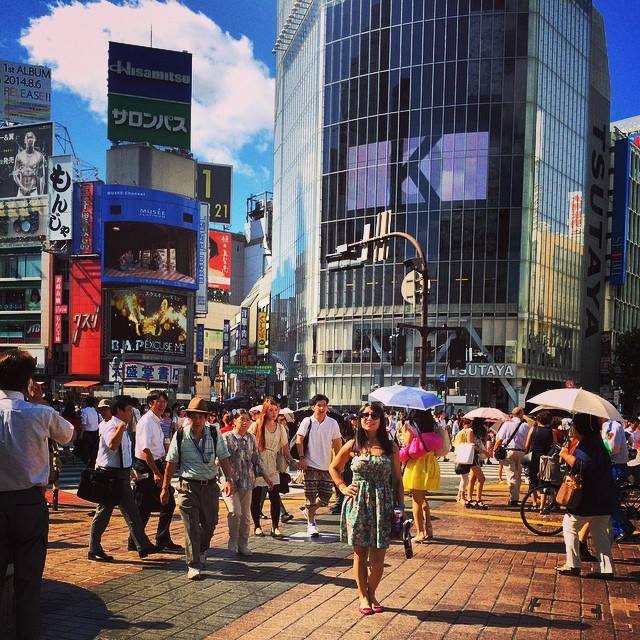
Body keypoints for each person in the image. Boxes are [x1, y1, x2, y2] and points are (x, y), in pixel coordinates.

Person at [0, 348, 74, 640]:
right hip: (29, 504)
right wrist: (39, 401)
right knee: (28, 584)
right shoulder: (40, 413)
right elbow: (68, 434)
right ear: (28, 381)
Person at [329, 403, 404, 615]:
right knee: (360, 554)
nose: (369, 418)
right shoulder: (353, 445)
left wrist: (401, 506)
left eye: (374, 415)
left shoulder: (390, 447)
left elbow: (397, 480)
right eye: (364, 415)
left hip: (383, 503)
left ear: (381, 419)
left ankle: (372, 593)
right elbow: (334, 467)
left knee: (378, 558)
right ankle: (363, 596)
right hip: (358, 503)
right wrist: (342, 487)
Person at [161, 397, 234, 580]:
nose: (198, 420)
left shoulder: (214, 433)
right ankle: (193, 564)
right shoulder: (180, 435)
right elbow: (171, 462)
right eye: (194, 416)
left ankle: (201, 549)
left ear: (206, 418)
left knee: (210, 524)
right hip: (188, 486)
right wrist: (164, 487)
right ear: (189, 417)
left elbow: (223, 458)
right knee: (191, 526)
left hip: (209, 486)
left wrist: (228, 479)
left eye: (201, 416)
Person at [88, 396, 159, 562]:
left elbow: (125, 452)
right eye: (128, 410)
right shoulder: (109, 425)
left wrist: (131, 470)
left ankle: (143, 545)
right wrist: (120, 427)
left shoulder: (123, 427)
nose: (131, 414)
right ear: (119, 411)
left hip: (122, 475)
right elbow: (112, 446)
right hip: (109, 475)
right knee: (103, 513)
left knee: (133, 512)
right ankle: (93, 548)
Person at [556, 413, 616, 578]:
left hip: (588, 497)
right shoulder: (596, 441)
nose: (572, 428)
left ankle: (573, 564)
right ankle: (607, 569)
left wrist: (565, 455)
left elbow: (583, 466)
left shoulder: (587, 444)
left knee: (570, 525)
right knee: (600, 531)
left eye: (574, 425)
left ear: (581, 427)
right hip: (604, 495)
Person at [130, 390, 182, 552]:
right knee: (167, 501)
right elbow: (145, 450)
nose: (162, 405)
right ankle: (161, 539)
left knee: (144, 506)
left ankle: (135, 540)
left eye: (164, 402)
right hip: (147, 465)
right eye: (158, 402)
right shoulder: (147, 421)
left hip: (155, 463)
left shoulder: (156, 421)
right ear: (150, 403)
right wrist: (156, 473)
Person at [223, 409, 272, 555]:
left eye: (247, 420)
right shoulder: (226, 438)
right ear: (234, 421)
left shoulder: (251, 438)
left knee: (245, 516)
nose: (245, 423)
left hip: (247, 481)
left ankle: (243, 544)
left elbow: (257, 459)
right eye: (241, 419)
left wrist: (266, 477)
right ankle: (233, 539)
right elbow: (221, 460)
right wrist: (225, 479)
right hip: (230, 482)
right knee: (235, 512)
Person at [296, 394, 343, 537]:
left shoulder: (332, 423)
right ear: (313, 407)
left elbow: (337, 444)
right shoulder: (307, 421)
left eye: (324, 405)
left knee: (325, 497)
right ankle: (311, 524)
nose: (322, 408)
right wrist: (302, 458)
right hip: (310, 464)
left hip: (327, 466)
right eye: (319, 405)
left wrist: (338, 463)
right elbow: (299, 440)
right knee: (310, 496)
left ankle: (308, 510)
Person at [250, 397, 296, 538]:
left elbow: (285, 449)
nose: (274, 413)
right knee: (256, 497)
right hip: (258, 463)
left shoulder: (280, 428)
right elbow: (249, 445)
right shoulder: (256, 425)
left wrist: (293, 461)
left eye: (276, 410)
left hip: (273, 464)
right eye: (271, 410)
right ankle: (257, 526)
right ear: (265, 411)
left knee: (275, 497)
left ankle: (275, 527)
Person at [402, 410, 441, 541]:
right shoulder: (433, 425)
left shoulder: (411, 426)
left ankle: (420, 533)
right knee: (423, 498)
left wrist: (404, 431)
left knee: (416, 501)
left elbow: (407, 444)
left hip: (417, 464)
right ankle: (428, 528)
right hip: (431, 462)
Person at [601, 417, 636, 542]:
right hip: (612, 466)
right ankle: (619, 528)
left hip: (616, 467)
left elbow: (612, 448)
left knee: (610, 500)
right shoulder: (606, 426)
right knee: (610, 500)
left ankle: (623, 528)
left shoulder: (613, 426)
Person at [494, 407, 527, 506]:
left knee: (511, 475)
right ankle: (515, 496)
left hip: (509, 451)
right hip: (522, 452)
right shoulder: (525, 426)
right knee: (518, 475)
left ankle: (514, 499)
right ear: (520, 414)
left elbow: (500, 439)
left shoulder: (507, 424)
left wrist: (495, 450)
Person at [524, 410, 557, 501]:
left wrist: (525, 454)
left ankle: (534, 502)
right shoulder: (552, 431)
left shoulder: (533, 429)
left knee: (533, 479)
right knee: (544, 480)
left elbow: (527, 445)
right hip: (546, 458)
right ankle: (542, 505)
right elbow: (554, 445)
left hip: (533, 456)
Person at [13, 130, 46, 196]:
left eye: (31, 137)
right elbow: (15, 175)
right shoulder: (19, 156)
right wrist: (22, 187)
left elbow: (41, 177)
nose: (30, 140)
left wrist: (41, 194)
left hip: (33, 190)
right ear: (24, 140)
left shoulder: (39, 156)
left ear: (34, 139)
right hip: (21, 191)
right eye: (28, 138)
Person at [465, 419, 488, 509]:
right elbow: (471, 445)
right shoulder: (470, 431)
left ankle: (469, 499)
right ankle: (478, 500)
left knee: (473, 478)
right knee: (482, 478)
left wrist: (486, 434)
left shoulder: (479, 433)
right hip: (473, 457)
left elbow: (483, 443)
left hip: (477, 457)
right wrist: (483, 451)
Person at [80, 396, 100, 467]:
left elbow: (83, 423)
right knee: (93, 450)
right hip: (96, 433)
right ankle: (92, 464)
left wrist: (81, 434)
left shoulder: (84, 411)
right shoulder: (96, 411)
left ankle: (87, 464)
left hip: (87, 433)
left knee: (86, 450)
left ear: (86, 402)